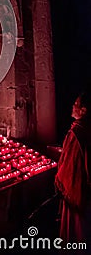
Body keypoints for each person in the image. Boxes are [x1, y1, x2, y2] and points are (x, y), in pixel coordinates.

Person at [55, 89, 91, 248]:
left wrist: (59, 180)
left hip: (77, 194)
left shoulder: (77, 133)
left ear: (83, 110)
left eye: (76, 104)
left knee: (76, 232)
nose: (72, 106)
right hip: (87, 193)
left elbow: (71, 167)